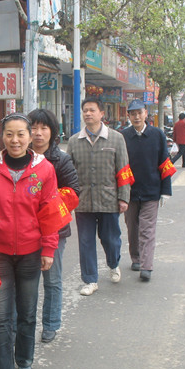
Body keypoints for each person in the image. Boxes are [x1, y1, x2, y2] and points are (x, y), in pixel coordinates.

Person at [0, 112, 59, 369]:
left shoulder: (44, 169)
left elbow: (50, 212)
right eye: (9, 134)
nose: (15, 140)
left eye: (21, 134)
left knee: (27, 312)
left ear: (30, 136)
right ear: (2, 136)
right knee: (0, 318)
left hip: (30, 252)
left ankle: (24, 358)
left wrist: (48, 249)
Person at [67, 97, 132, 296]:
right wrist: (69, 200)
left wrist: (124, 198)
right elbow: (69, 173)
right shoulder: (74, 141)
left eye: (92, 110)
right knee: (85, 242)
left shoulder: (116, 138)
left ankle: (113, 263)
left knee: (110, 239)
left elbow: (123, 170)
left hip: (109, 199)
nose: (88, 113)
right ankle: (90, 280)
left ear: (102, 113)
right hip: (84, 201)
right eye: (85, 110)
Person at [28, 108, 80, 344]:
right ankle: (24, 325)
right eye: (33, 128)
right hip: (25, 231)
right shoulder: (19, 158)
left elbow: (74, 192)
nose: (38, 133)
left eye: (44, 128)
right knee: (26, 281)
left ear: (52, 131)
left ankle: (50, 323)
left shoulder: (61, 159)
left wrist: (47, 205)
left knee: (52, 279)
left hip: (54, 231)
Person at [121, 99, 175, 282]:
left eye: (139, 113)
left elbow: (165, 162)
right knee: (132, 227)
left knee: (147, 229)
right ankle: (136, 258)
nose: (137, 117)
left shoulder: (157, 135)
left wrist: (166, 190)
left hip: (152, 190)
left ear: (145, 114)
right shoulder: (123, 136)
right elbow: (119, 165)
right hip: (129, 192)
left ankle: (146, 266)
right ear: (128, 116)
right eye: (133, 114)